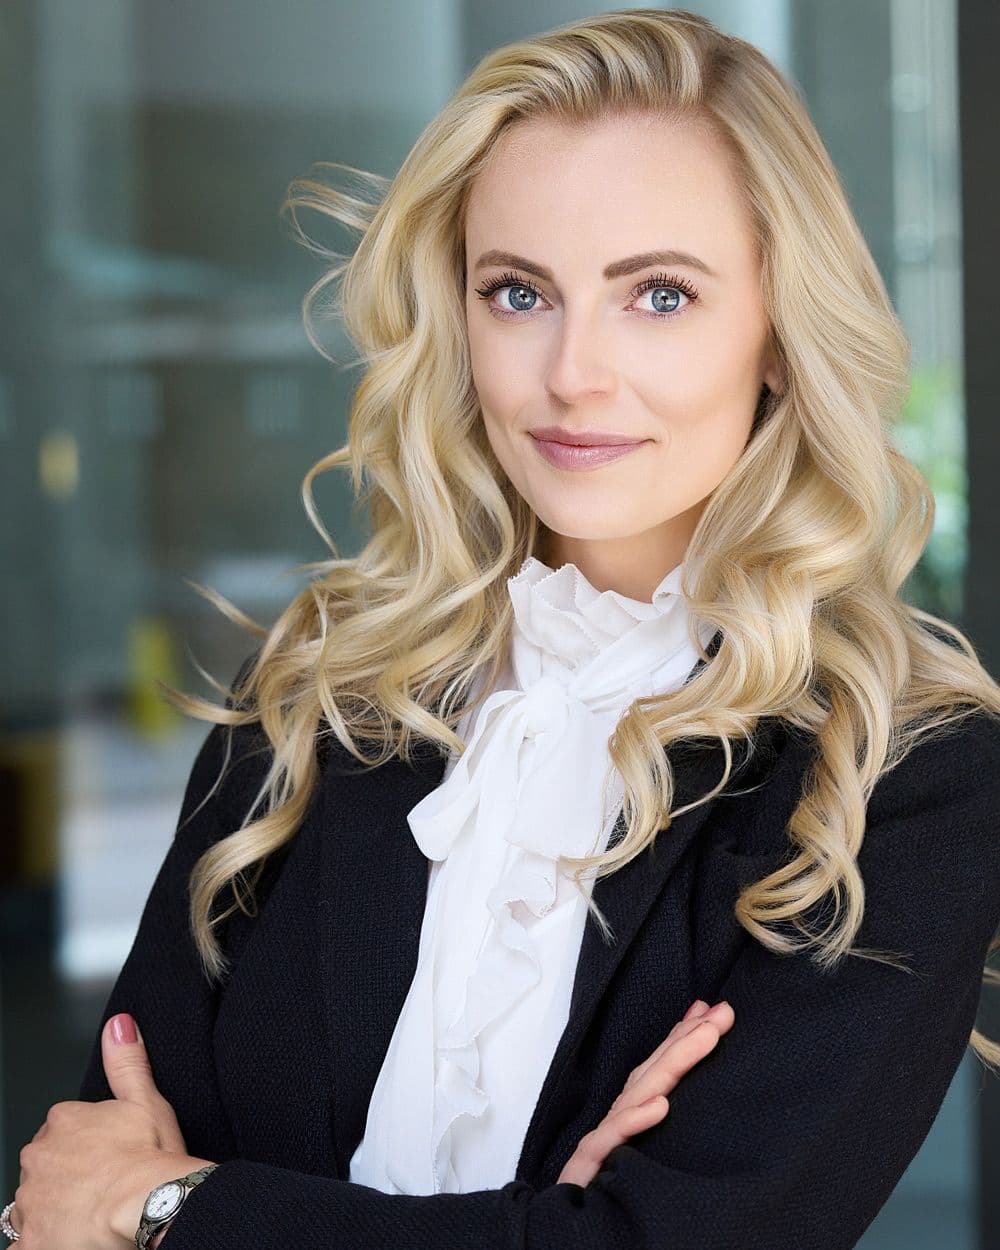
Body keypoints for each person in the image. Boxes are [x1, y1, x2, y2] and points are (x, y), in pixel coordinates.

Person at [6, 6, 1000, 1249]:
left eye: (659, 294)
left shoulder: (897, 770)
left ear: (779, 336)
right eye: (519, 290)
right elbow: (70, 1195)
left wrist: (174, 1207)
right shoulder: (323, 686)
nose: (573, 372)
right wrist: (529, 1221)